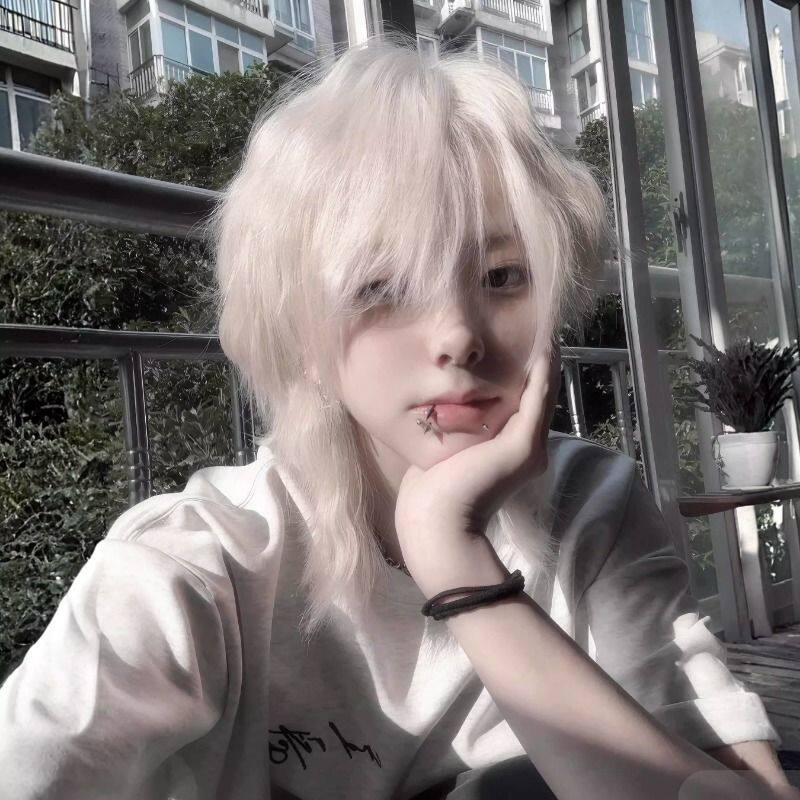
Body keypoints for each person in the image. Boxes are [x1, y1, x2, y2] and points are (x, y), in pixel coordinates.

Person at [0, 33, 795, 800]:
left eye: (503, 276)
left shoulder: (593, 504)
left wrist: (453, 557)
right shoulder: (196, 568)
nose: (458, 336)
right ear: (300, 334)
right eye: (383, 288)